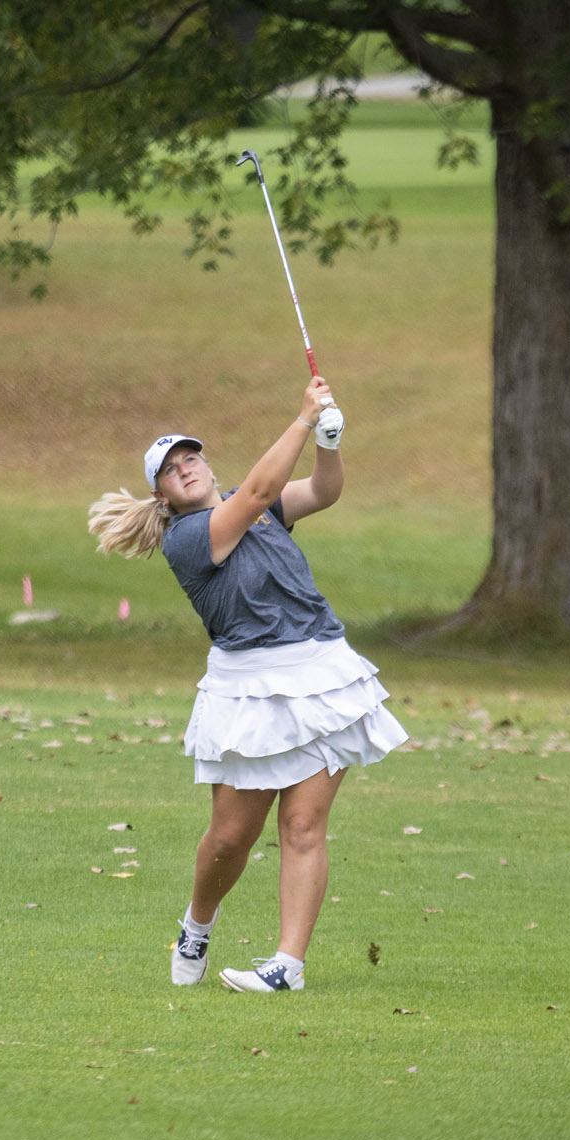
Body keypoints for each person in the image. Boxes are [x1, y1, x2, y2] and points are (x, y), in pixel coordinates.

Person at [87, 376, 408, 991]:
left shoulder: (250, 505)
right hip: (249, 685)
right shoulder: (188, 539)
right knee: (233, 838)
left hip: (322, 671)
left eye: (191, 458)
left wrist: (330, 442)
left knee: (304, 828)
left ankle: (287, 967)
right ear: (162, 495)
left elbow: (321, 490)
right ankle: (197, 925)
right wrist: (303, 418)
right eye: (171, 470)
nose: (186, 470)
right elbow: (261, 490)